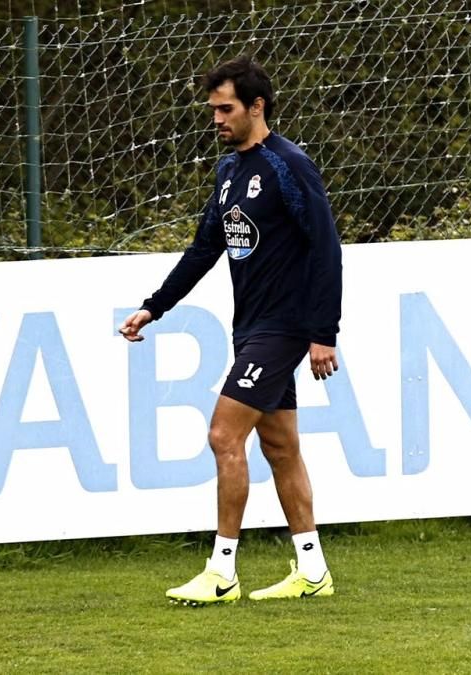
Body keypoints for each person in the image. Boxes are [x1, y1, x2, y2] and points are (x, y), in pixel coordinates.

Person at [118, 55, 342, 605]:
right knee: (281, 447)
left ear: (256, 106)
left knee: (223, 435)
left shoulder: (288, 165)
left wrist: (322, 332)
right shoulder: (228, 172)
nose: (216, 119)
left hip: (285, 329)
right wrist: (154, 307)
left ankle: (222, 572)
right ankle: (313, 572)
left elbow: (326, 247)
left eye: (226, 109)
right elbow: (203, 251)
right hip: (252, 329)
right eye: (213, 109)